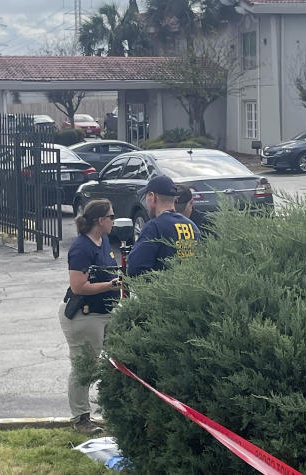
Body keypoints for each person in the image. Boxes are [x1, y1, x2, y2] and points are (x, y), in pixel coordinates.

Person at [59, 199, 123, 434]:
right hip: (84, 316)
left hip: (105, 312)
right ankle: (80, 418)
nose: (114, 221)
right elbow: (78, 286)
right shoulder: (81, 248)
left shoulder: (103, 240)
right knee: (85, 366)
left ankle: (113, 409)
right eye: (112, 216)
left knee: (119, 359)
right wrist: (111, 285)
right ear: (100, 220)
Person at [127, 175, 201, 277]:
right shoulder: (192, 226)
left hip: (161, 291)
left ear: (153, 197)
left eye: (146, 197)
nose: (146, 203)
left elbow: (135, 269)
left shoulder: (154, 227)